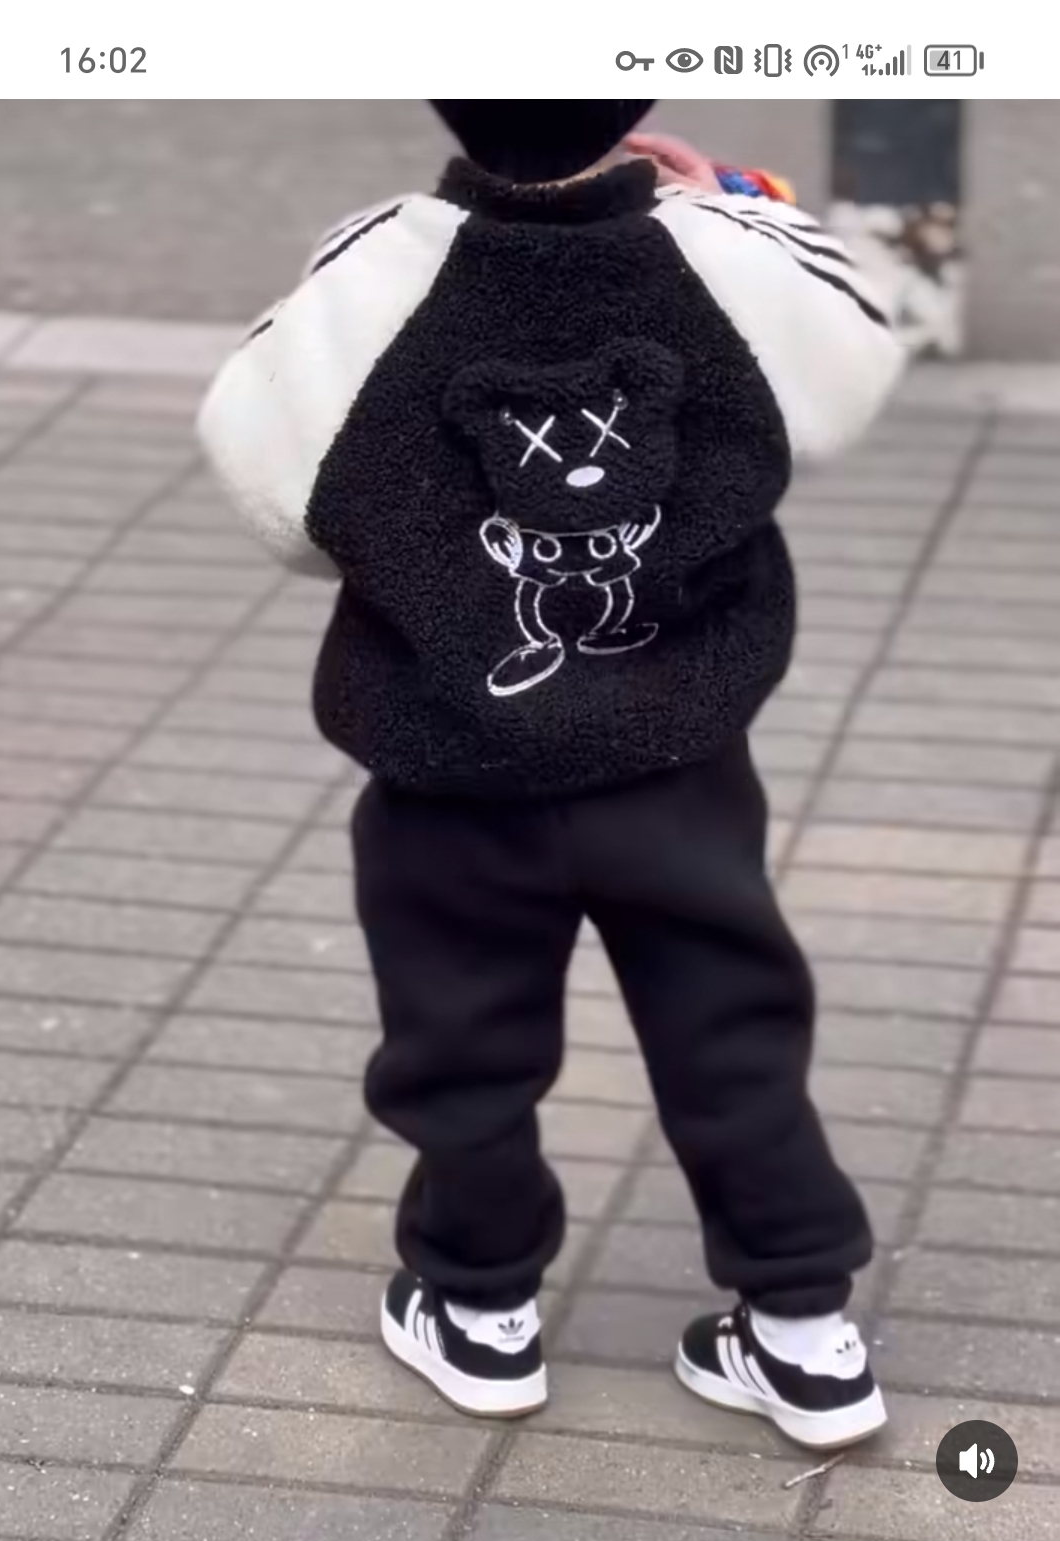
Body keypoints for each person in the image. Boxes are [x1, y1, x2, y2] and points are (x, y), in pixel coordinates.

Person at [197, 99, 904, 1450]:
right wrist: (746, 201)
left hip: (450, 762)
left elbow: (273, 487)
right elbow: (855, 352)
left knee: (462, 1037)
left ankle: (480, 1309)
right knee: (730, 1030)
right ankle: (805, 1330)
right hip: (676, 757)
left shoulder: (374, 266)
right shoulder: (719, 253)